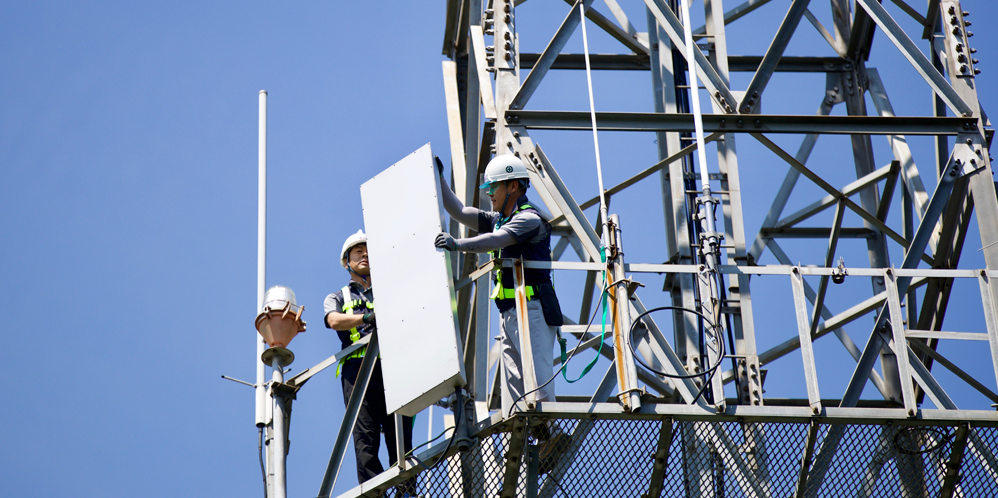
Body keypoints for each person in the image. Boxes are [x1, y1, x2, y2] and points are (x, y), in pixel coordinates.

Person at [433, 154, 565, 415]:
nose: (489, 194)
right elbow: (459, 211)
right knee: (516, 385)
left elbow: (495, 241)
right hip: (511, 312)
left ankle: (551, 429)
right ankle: (535, 436)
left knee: (538, 381)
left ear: (513, 186)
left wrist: (456, 245)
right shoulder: (499, 219)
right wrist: (439, 178)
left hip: (533, 309)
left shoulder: (529, 219)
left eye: (493, 187)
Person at [324, 230, 414, 490]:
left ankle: (407, 492)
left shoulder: (388, 290)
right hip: (359, 370)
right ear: (347, 262)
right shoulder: (339, 297)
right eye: (357, 252)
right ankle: (375, 493)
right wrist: (365, 318)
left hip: (392, 366)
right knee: (365, 437)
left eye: (368, 251)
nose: (364, 254)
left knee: (400, 436)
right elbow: (333, 320)